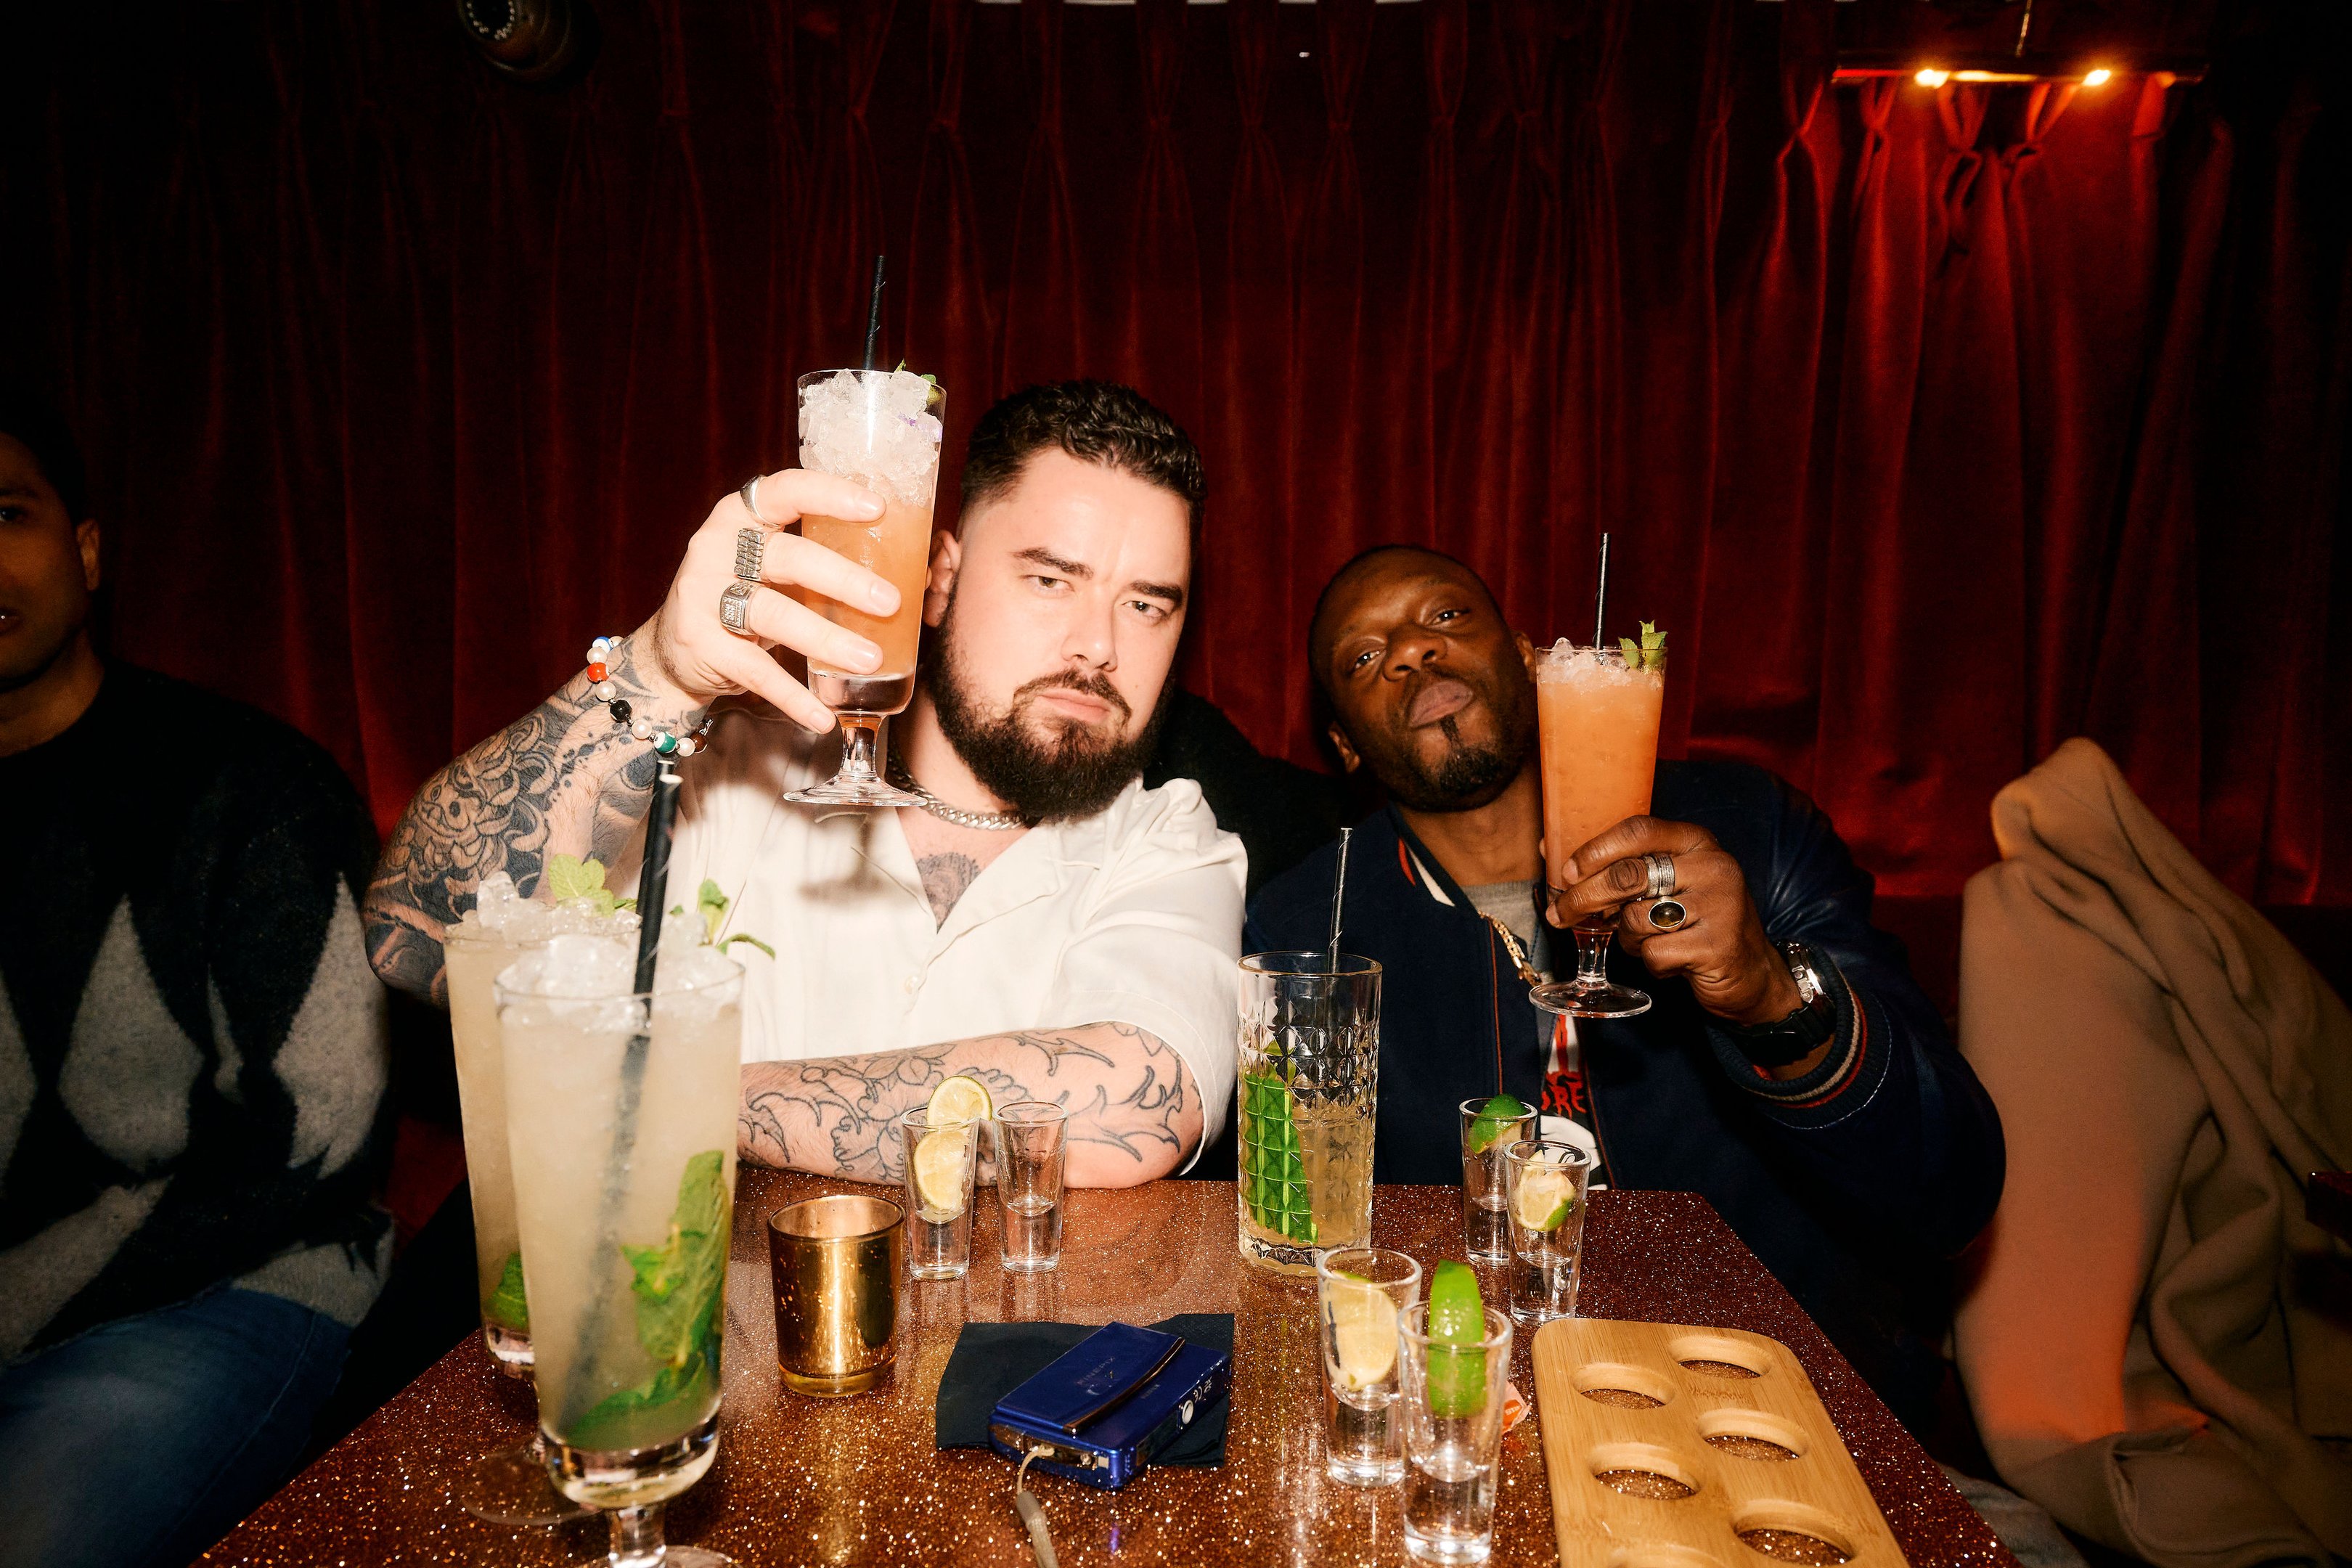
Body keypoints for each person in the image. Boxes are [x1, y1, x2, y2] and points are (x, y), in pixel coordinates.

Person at [364, 381, 1244, 1185]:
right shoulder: (722, 776)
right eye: (1052, 579)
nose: (1100, 644)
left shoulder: (1169, 844)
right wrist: (658, 672)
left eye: (1146, 604)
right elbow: (421, 930)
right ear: (940, 579)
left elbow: (1136, 1096)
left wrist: (662, 1088)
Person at [1244, 544, 2005, 1428]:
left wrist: (1769, 998)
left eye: (1446, 618)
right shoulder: (1305, 932)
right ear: (1342, 743)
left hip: (1797, 1420)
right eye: (1366, 658)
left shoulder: (1749, 833)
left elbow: (1951, 1190)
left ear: (1531, 662)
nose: (1413, 652)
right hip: (1491, 1436)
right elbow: (1294, 1254)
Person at [0, 389, 392, 1568]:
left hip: (236, 1289)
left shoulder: (252, 788)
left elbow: (316, 1130)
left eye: (5, 512)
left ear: (86, 548)